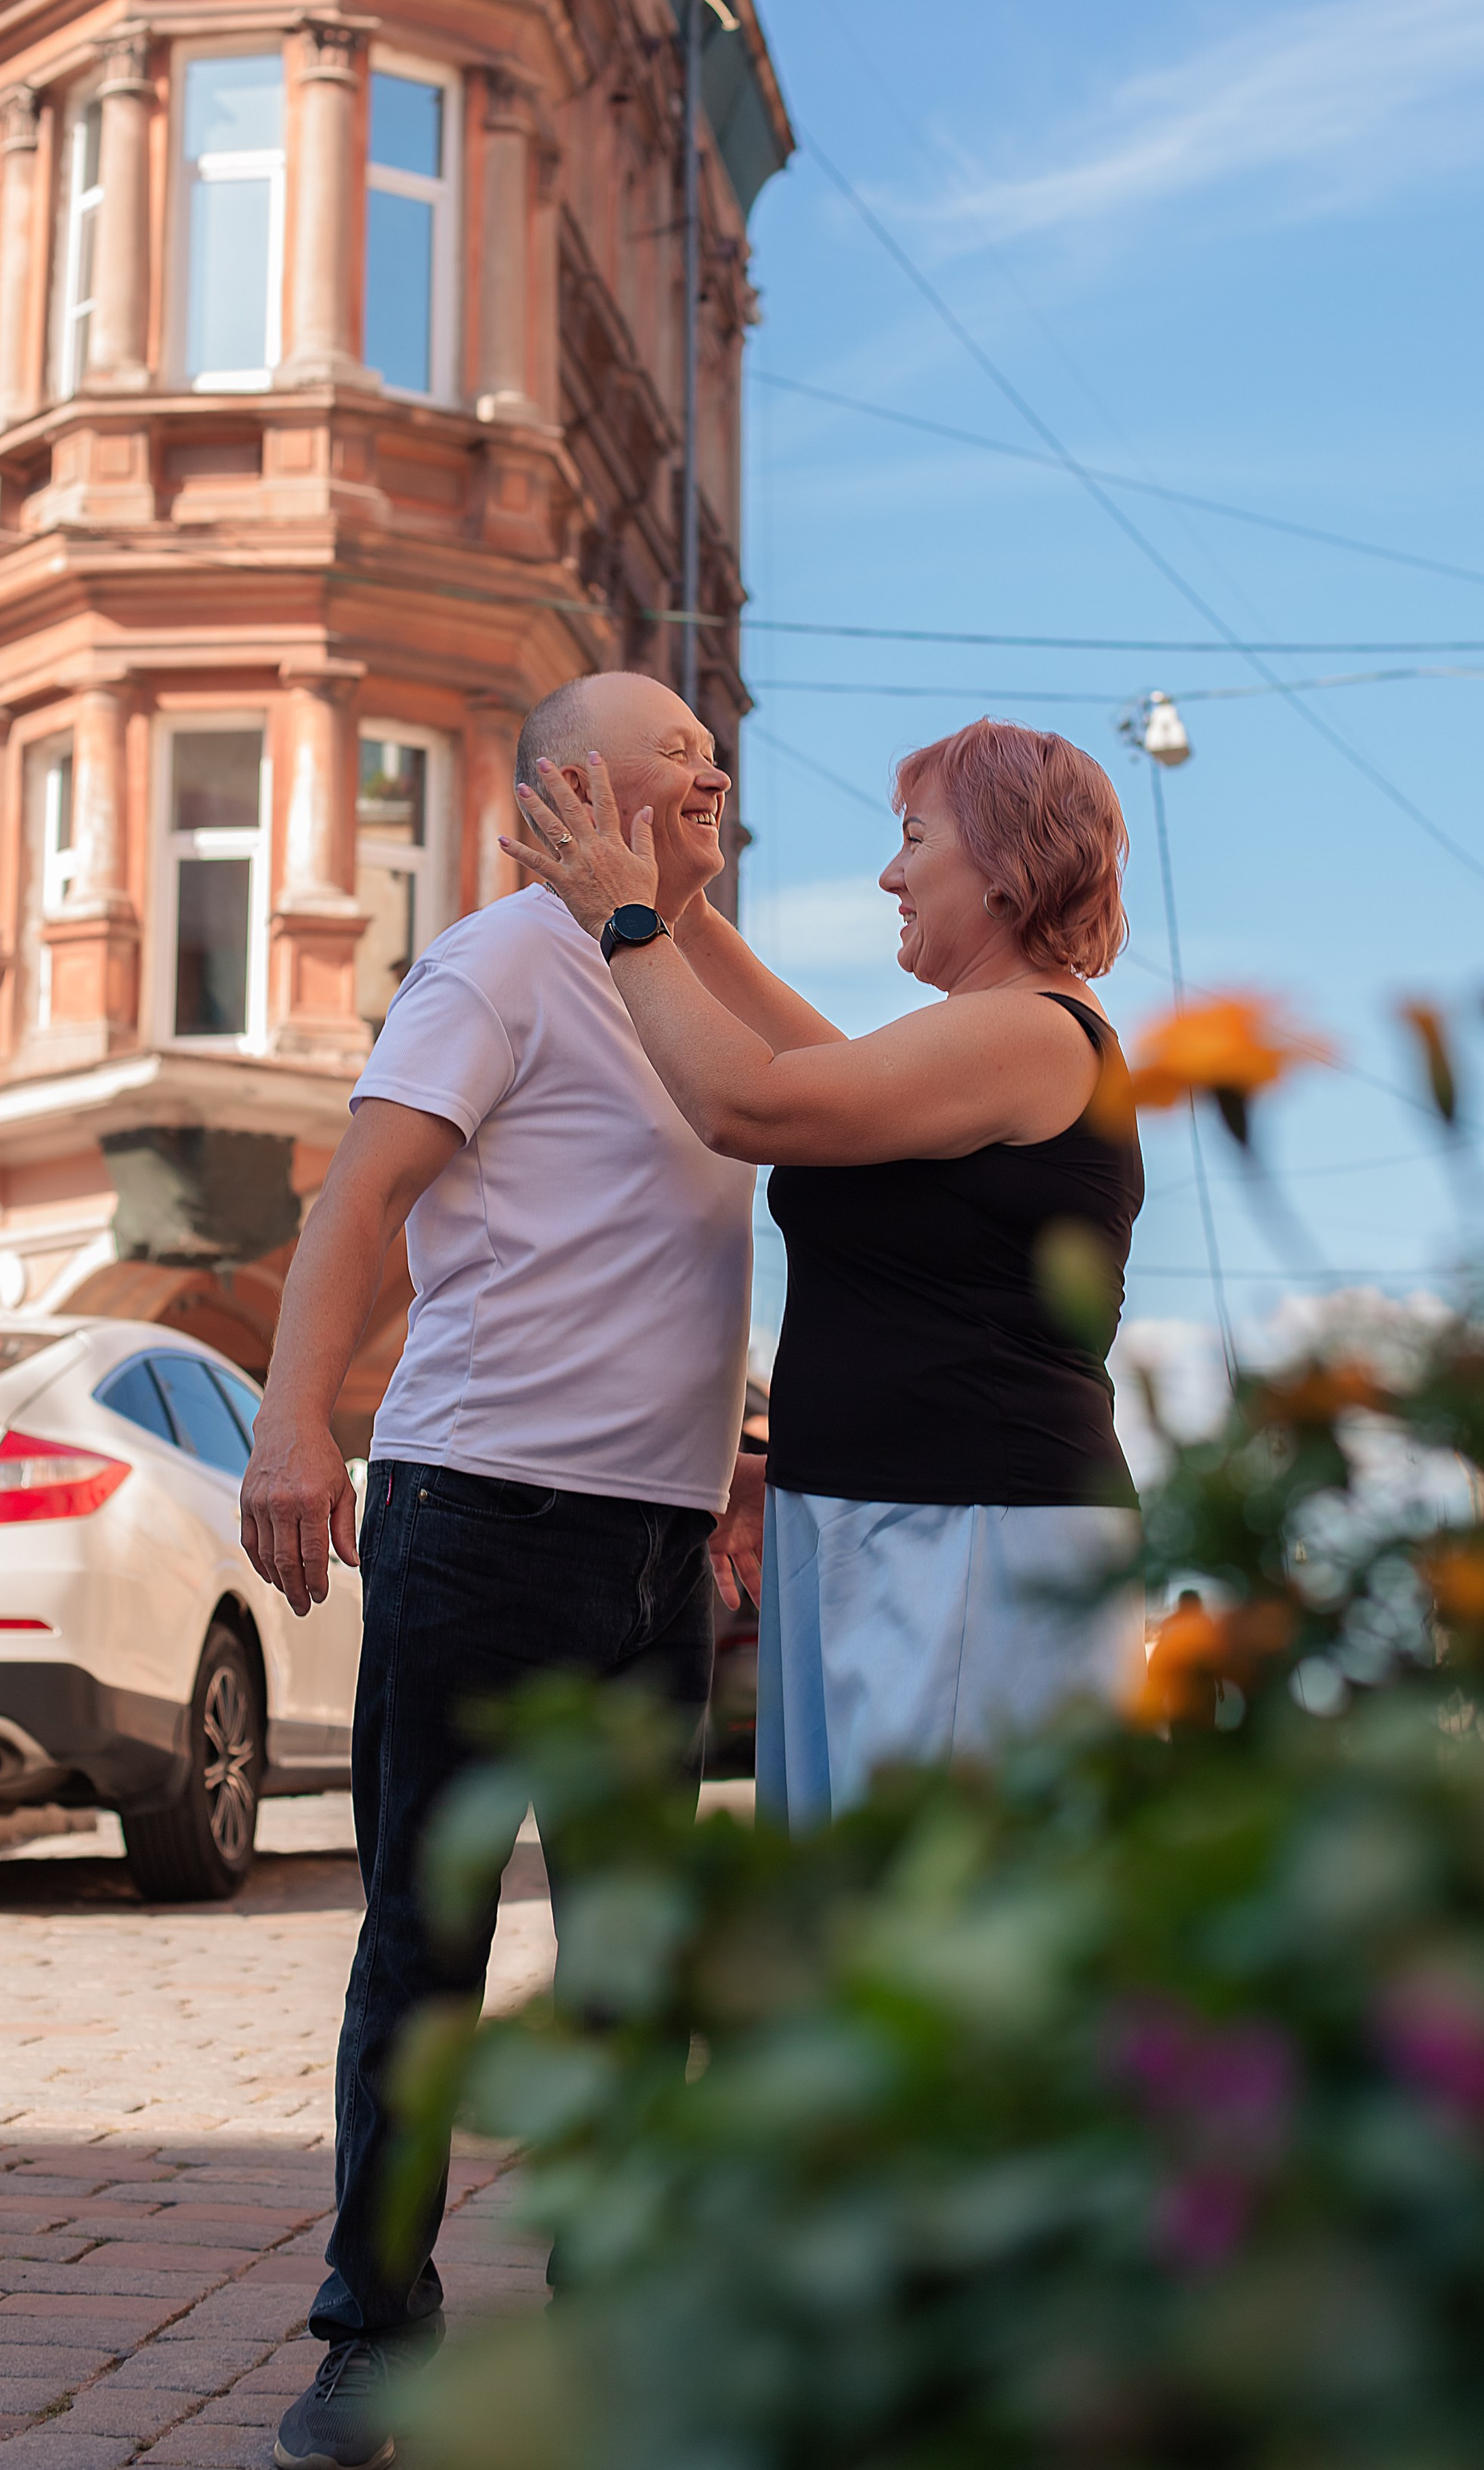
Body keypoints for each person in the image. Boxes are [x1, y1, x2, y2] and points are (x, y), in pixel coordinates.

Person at [240, 670, 780, 2470]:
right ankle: (373, 2340)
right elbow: (363, 1198)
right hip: (484, 1522)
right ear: (568, 791)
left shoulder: (689, 970)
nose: (710, 767)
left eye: (712, 752)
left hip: (649, 1552)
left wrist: (732, 1462)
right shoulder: (493, 962)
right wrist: (290, 1427)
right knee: (428, 1942)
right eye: (672, 754)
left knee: (631, 1963)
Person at [501, 714, 1145, 1834]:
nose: (891, 874)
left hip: (971, 1528)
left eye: (915, 840)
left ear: (1006, 865)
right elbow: (795, 1057)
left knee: (927, 1936)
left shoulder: (1035, 1034)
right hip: (888, 1516)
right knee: (860, 1924)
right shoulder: (969, 1039)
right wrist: (683, 898)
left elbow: (747, 1099)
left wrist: (628, 916)